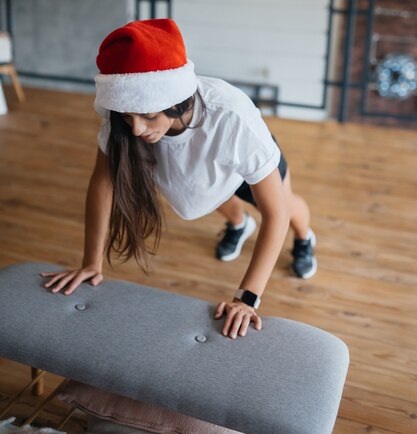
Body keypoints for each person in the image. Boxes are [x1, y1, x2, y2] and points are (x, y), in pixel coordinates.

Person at [41, 19, 317, 340]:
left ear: (176, 101)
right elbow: (103, 183)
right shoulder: (125, 122)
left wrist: (247, 298)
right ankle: (239, 224)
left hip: (242, 158)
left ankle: (305, 239)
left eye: (148, 116)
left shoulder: (231, 117)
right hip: (205, 171)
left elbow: (276, 213)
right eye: (127, 117)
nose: (136, 130)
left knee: (288, 207)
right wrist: (91, 262)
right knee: (201, 194)